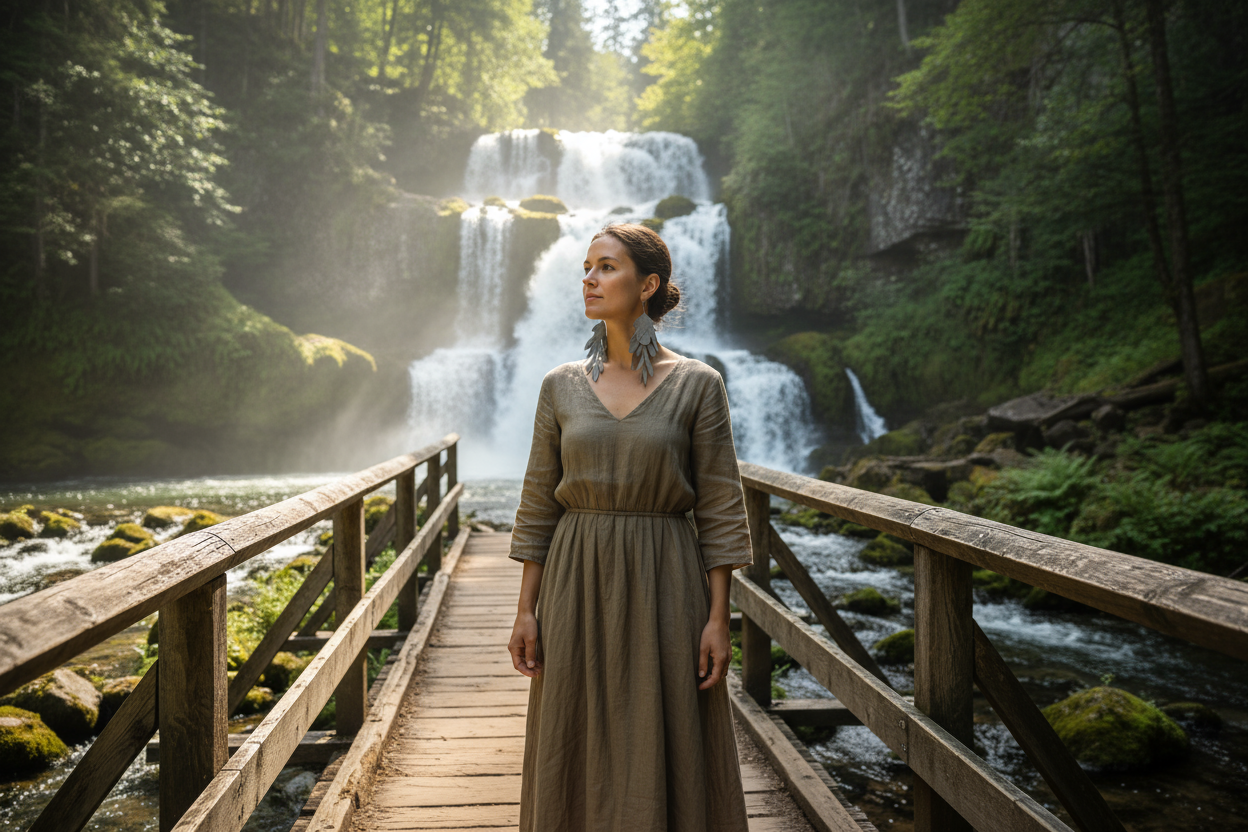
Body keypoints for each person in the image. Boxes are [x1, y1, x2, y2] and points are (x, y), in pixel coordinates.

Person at [506, 221, 754, 831]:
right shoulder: (560, 385)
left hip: (667, 580)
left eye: (607, 267)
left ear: (648, 285)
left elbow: (721, 509)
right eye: (586, 268)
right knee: (571, 732)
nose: (590, 279)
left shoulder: (699, 384)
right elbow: (539, 503)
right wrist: (525, 610)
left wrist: (719, 619)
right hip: (574, 581)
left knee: (667, 731)